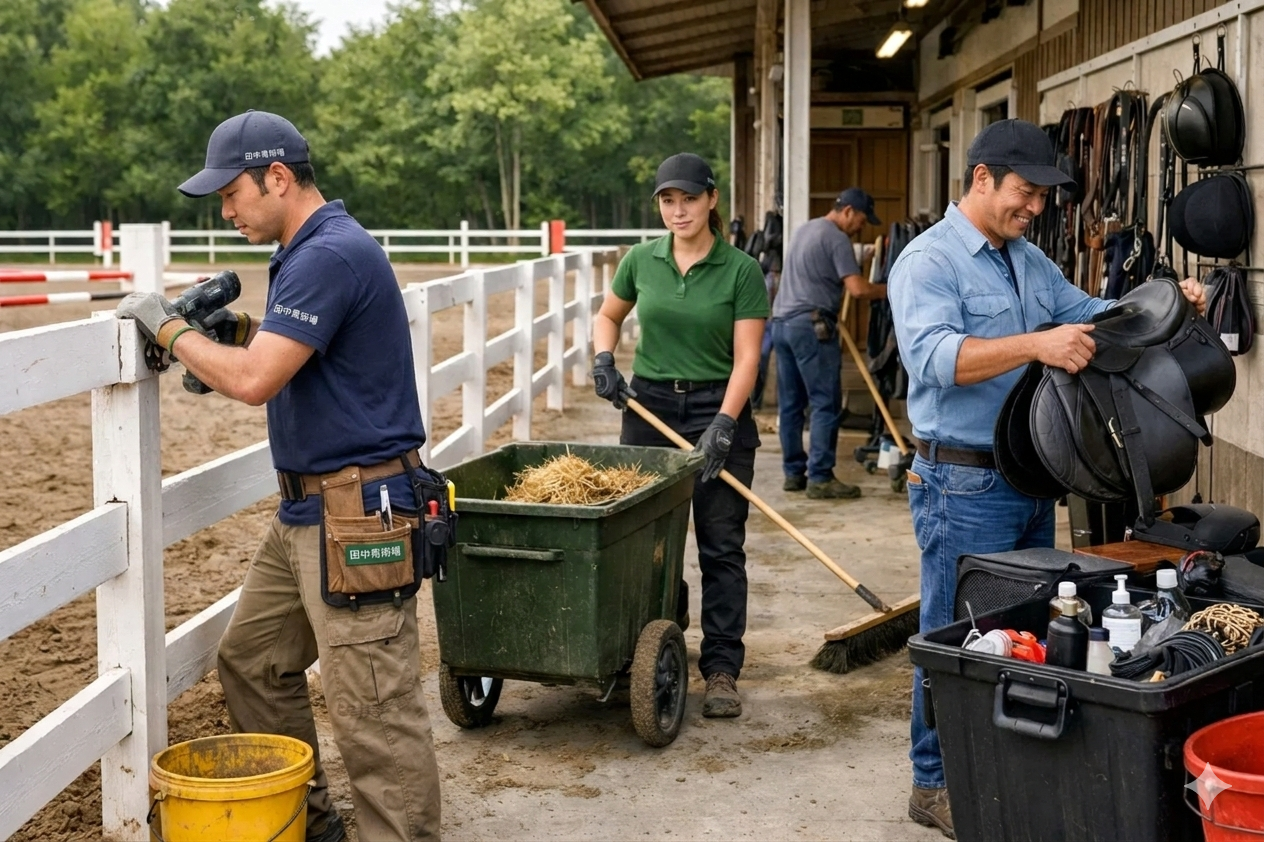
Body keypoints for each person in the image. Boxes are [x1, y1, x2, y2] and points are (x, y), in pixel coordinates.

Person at [114, 110, 440, 842]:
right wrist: (233, 339)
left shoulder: (330, 254)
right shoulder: (307, 250)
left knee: (375, 714)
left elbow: (258, 381)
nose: (225, 210)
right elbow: (293, 359)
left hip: (359, 512)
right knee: (254, 661)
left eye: (231, 194)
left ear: (279, 177)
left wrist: (172, 330)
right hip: (308, 512)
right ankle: (315, 825)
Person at [888, 118, 1207, 839]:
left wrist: (1161, 301)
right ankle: (933, 780)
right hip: (963, 483)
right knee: (954, 634)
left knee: (1025, 628)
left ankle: (998, 761)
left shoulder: (1027, 259)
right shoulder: (928, 262)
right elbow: (935, 358)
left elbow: (1089, 317)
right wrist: (1037, 344)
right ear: (980, 179)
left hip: (1034, 475)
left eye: (1039, 198)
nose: (1033, 208)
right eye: (1024, 193)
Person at [590, 152, 768, 717]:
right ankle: (647, 650)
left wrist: (724, 422)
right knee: (645, 545)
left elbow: (747, 358)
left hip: (721, 405)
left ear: (712, 200)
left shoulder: (741, 270)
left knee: (720, 544)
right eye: (668, 200)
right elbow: (608, 315)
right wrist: (603, 358)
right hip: (651, 409)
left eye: (689, 198)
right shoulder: (642, 260)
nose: (678, 209)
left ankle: (720, 669)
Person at [771, 188, 888, 499]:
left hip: (782, 325)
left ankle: (794, 474)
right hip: (812, 327)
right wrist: (888, 290)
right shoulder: (837, 238)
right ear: (848, 211)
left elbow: (824, 263)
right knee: (825, 403)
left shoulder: (806, 229)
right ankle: (820, 477)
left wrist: (864, 253)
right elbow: (858, 289)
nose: (861, 227)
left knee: (792, 405)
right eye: (861, 220)